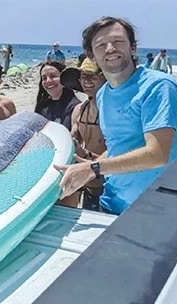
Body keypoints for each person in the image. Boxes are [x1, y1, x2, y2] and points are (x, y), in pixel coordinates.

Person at [55, 16, 177, 215]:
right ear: (92, 56)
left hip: (156, 210)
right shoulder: (102, 95)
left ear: (132, 48)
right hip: (111, 202)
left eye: (118, 42)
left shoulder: (158, 86)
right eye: (100, 45)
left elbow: (158, 154)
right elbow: (119, 145)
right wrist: (92, 165)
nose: (110, 49)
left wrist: (95, 169)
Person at [60, 57, 107, 210]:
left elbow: (120, 149)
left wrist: (87, 156)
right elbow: (72, 141)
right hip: (86, 184)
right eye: (83, 76)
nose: (86, 80)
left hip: (109, 185)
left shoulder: (110, 112)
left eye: (92, 75)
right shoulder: (79, 110)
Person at [34, 61, 80, 130]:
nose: (48, 80)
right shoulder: (43, 106)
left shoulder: (74, 107)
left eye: (53, 76)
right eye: (44, 78)